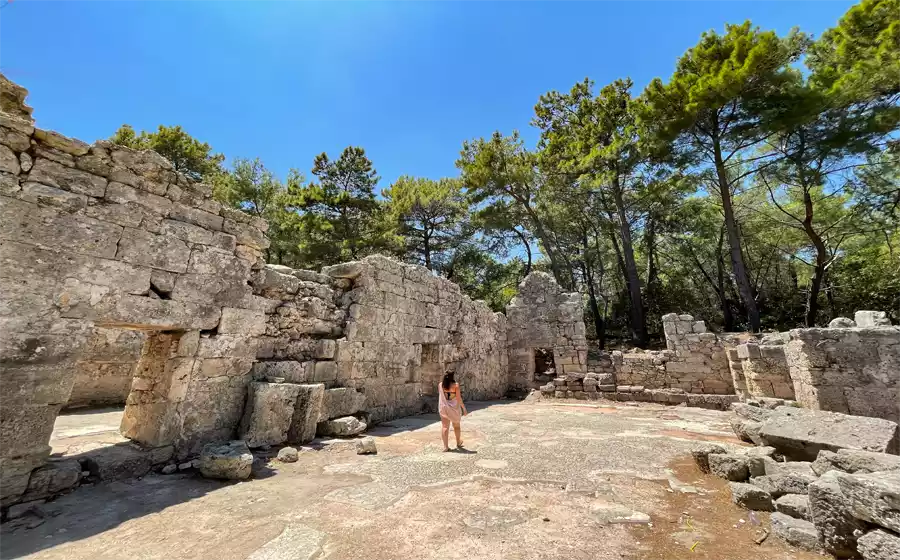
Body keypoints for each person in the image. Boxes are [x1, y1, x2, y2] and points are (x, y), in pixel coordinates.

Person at [437, 371, 467, 451]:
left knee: (445, 427)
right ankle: (458, 442)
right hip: (454, 409)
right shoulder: (455, 385)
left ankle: (445, 447)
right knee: (456, 426)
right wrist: (464, 408)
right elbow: (458, 398)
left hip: (444, 408)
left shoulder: (440, 385)